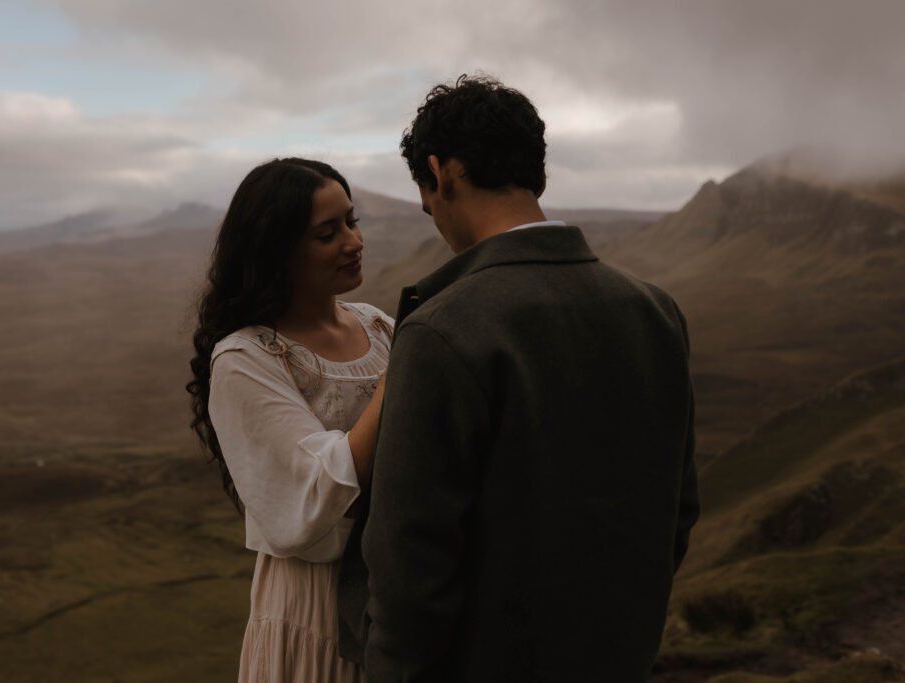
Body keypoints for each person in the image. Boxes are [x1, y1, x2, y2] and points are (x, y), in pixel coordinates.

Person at [338, 75, 700, 681]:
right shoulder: (655, 310)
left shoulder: (441, 330)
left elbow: (410, 569)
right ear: (539, 173)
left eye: (426, 197)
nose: (432, 215)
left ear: (440, 173)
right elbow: (677, 510)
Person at [187, 157, 392, 682]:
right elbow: (314, 488)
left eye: (352, 221)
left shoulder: (380, 327)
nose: (353, 242)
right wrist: (408, 374)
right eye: (328, 233)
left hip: (398, 592)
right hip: (315, 603)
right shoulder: (248, 358)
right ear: (277, 251)